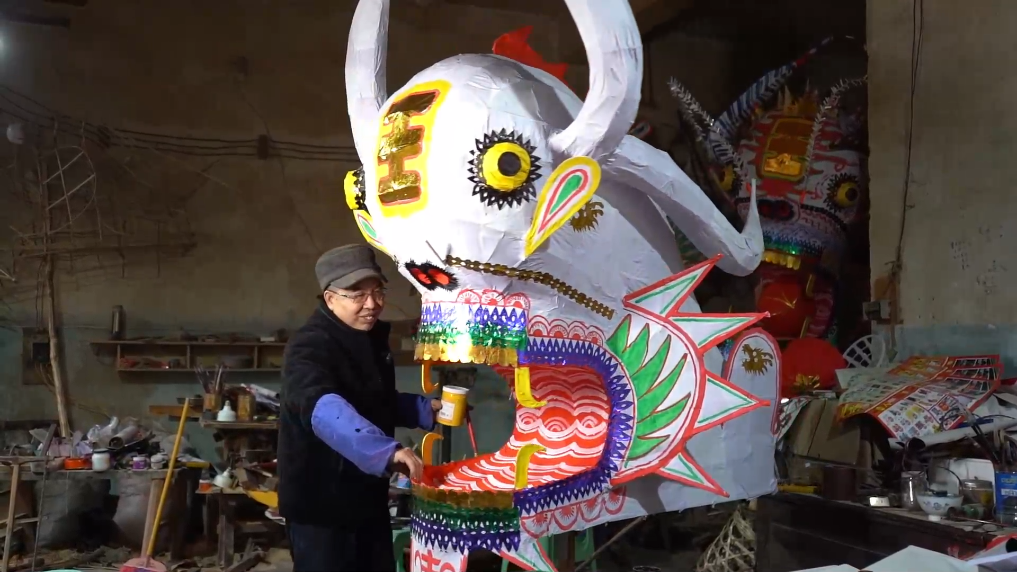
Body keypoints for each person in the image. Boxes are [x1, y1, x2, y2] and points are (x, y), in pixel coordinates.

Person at [279, 244, 439, 572]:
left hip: (367, 498)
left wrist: (424, 409)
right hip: (322, 509)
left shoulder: (370, 339)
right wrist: (383, 451)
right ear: (330, 298)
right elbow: (323, 408)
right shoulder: (309, 346)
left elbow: (373, 399)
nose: (372, 304)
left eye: (378, 292)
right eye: (357, 295)